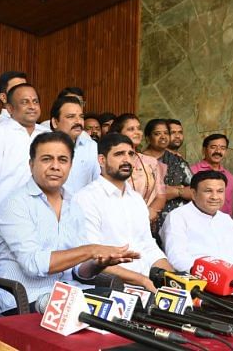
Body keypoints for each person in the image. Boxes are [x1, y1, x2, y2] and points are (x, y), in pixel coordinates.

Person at [0, 131, 140, 313]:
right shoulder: (15, 204)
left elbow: (78, 271)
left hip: (68, 295)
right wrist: (91, 250)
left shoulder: (73, 204)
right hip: (25, 301)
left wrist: (98, 263)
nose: (55, 166)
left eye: (63, 160)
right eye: (47, 159)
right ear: (31, 164)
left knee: (131, 304)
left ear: (70, 166)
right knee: (99, 315)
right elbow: (33, 264)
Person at [74, 134, 173, 291]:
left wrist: (173, 278)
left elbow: (148, 246)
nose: (127, 159)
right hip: (112, 289)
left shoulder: (135, 199)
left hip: (148, 285)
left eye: (131, 154)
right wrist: (143, 281)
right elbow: (91, 258)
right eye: (119, 154)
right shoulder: (86, 199)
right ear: (102, 160)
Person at [0, 83, 49, 233]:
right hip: (3, 220)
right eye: (24, 102)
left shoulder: (47, 135)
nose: (32, 106)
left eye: (35, 101)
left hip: (40, 221)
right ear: (9, 108)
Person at [160, 170, 233, 272]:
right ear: (193, 193)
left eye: (220, 191)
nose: (215, 197)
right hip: (198, 282)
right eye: (208, 191)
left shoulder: (225, 219)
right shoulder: (178, 217)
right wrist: (212, 274)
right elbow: (177, 259)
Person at [109, 114, 166, 224]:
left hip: (147, 221)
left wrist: (147, 214)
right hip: (118, 220)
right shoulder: (110, 160)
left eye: (138, 128)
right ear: (118, 133)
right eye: (131, 129)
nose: (137, 132)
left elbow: (161, 196)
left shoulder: (151, 162)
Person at [142, 119, 193, 237]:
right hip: (147, 221)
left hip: (177, 225)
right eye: (157, 133)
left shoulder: (177, 161)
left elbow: (196, 191)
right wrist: (164, 191)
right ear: (148, 137)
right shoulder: (138, 161)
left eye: (166, 133)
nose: (163, 137)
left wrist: (177, 191)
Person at [50, 96, 100, 193]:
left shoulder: (91, 147)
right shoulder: (43, 148)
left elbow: (98, 182)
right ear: (55, 122)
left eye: (81, 116)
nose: (78, 121)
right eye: (71, 117)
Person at [190, 133, 233, 216]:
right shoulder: (192, 171)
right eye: (213, 147)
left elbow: (228, 206)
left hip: (222, 224)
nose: (218, 151)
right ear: (204, 150)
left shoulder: (229, 176)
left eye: (222, 148)